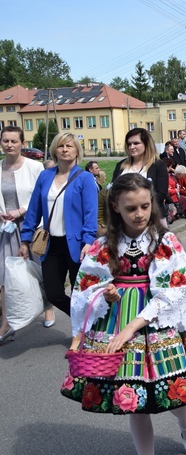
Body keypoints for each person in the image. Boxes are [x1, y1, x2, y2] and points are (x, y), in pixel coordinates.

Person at [61, 173, 186, 455]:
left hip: (158, 319)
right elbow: (85, 287)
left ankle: (185, 423)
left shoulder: (165, 241)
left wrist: (132, 325)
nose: (140, 214)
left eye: (145, 206)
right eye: (131, 209)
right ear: (116, 207)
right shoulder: (103, 245)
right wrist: (106, 292)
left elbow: (178, 288)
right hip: (117, 322)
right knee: (136, 401)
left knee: (173, 388)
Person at [19, 132, 98, 335]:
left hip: (77, 244)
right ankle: (89, 321)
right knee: (54, 293)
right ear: (55, 149)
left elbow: (91, 213)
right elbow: (34, 210)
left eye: (69, 146)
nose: (65, 150)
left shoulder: (85, 178)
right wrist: (25, 239)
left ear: (77, 151)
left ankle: (83, 332)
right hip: (51, 244)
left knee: (80, 292)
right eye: (61, 146)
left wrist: (89, 240)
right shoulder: (45, 176)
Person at [0, 126, 54, 342]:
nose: (9, 145)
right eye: (5, 141)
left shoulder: (34, 166)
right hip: (6, 229)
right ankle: (6, 322)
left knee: (38, 269)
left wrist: (21, 210)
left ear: (23, 143)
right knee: (5, 275)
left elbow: (41, 196)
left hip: (31, 226)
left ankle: (48, 307)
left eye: (14, 141)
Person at [112, 128, 170, 227]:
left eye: (136, 143)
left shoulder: (158, 165)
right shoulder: (121, 165)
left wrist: (141, 208)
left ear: (146, 144)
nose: (132, 147)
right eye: (129, 144)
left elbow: (161, 194)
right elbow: (113, 190)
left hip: (151, 219)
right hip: (123, 220)